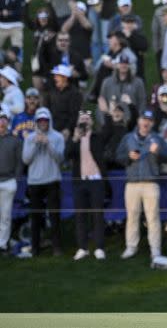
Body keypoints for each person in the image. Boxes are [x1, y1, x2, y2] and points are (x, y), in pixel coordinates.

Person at [117, 110, 167, 260]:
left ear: (152, 123)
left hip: (151, 183)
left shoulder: (158, 139)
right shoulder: (128, 138)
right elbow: (117, 156)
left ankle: (155, 250)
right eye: (143, 119)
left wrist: (158, 151)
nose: (146, 122)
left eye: (149, 120)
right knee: (132, 217)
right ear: (139, 121)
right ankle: (131, 247)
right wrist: (128, 157)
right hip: (132, 183)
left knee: (153, 218)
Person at [22, 107, 64, 257]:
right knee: (35, 217)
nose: (43, 123)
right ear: (36, 122)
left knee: (54, 216)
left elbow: (60, 159)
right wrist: (35, 143)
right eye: (40, 120)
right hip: (34, 182)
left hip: (52, 180)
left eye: (45, 120)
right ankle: (35, 248)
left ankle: (57, 248)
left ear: (49, 121)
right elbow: (26, 159)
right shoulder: (29, 138)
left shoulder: (58, 137)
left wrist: (48, 144)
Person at [66, 110, 107, 260]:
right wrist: (75, 138)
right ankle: (82, 247)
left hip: (96, 180)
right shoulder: (75, 138)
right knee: (80, 216)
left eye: (87, 119)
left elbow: (109, 131)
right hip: (80, 181)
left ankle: (99, 247)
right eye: (82, 119)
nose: (84, 121)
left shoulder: (97, 137)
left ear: (92, 122)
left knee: (97, 215)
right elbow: (67, 155)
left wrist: (106, 112)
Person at [0, 107, 21, 253]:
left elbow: (20, 162)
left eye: (4, 120)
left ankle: (2, 244)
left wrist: (16, 179)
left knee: (5, 216)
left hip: (8, 182)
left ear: (8, 122)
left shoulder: (15, 140)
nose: (1, 122)